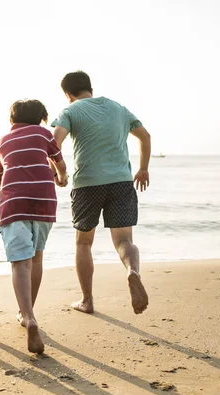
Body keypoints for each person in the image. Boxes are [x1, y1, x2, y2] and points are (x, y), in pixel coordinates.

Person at [50, 71, 151, 315]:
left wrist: (60, 175)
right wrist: (143, 169)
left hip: (87, 184)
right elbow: (144, 136)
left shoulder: (71, 111)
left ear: (67, 94)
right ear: (90, 88)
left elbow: (53, 143)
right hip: (121, 182)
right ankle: (132, 271)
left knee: (84, 242)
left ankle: (87, 300)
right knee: (124, 240)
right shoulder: (119, 108)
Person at [0, 99, 68, 354]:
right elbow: (59, 162)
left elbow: (0, 179)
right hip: (44, 201)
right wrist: (62, 178)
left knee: (19, 262)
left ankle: (28, 316)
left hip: (15, 203)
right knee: (36, 259)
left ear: (12, 119)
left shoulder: (1, 143)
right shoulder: (43, 133)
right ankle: (28, 313)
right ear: (40, 118)